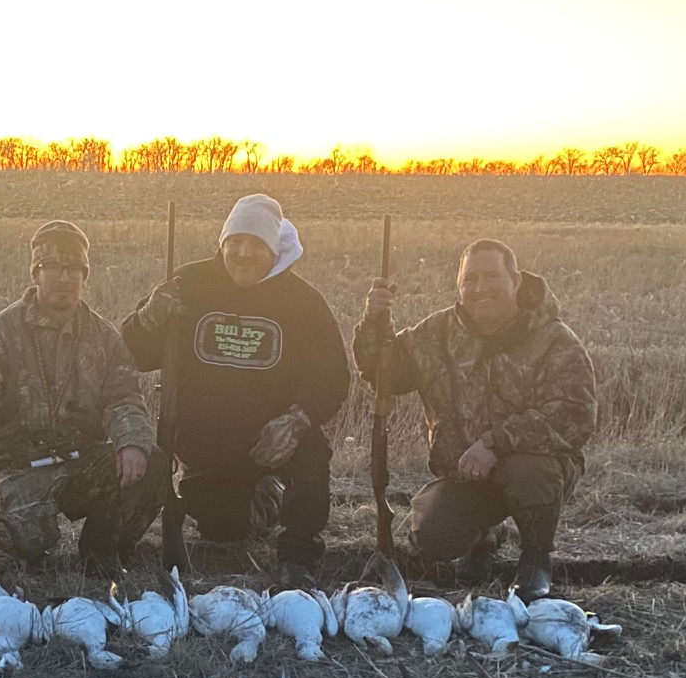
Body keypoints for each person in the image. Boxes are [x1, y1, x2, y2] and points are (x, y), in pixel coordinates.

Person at [352, 237, 596, 598]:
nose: (480, 288)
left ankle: (535, 559)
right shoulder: (436, 334)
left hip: (536, 469)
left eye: (491, 277)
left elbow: (574, 415)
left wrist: (494, 443)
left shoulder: (553, 339)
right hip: (465, 474)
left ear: (515, 281)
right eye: (470, 280)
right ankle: (486, 536)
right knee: (431, 537)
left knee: (528, 472)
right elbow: (383, 372)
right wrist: (374, 321)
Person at [121, 193, 350, 578]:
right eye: (235, 242)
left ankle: (298, 558)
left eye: (256, 244)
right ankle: (263, 499)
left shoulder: (303, 302)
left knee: (311, 452)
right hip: (205, 438)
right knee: (224, 529)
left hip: (273, 434)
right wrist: (147, 319)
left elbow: (331, 375)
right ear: (222, 244)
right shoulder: (186, 284)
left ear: (274, 250)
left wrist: (298, 419)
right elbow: (133, 356)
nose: (244, 253)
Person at [0, 220, 160, 577]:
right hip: (19, 465)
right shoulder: (1, 333)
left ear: (84, 276)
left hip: (83, 461)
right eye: (53, 267)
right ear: (35, 273)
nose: (64, 278)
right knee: (25, 547)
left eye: (74, 269)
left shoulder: (103, 337)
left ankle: (102, 551)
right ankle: (14, 537)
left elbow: (124, 398)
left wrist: (131, 442)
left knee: (152, 461)